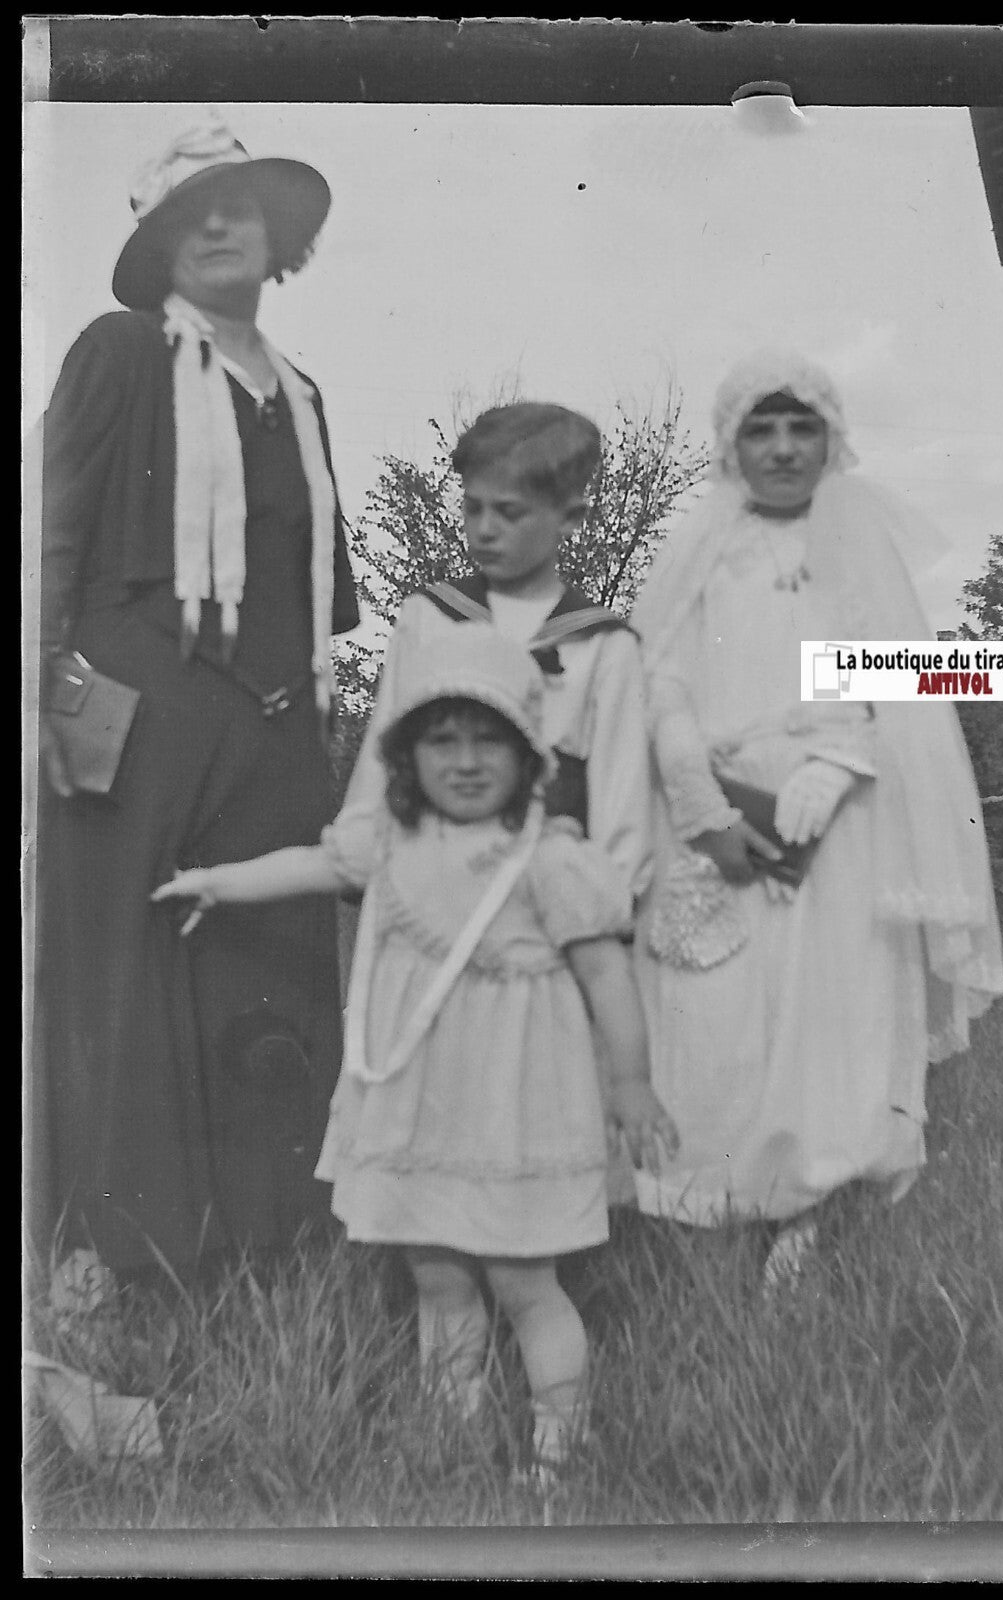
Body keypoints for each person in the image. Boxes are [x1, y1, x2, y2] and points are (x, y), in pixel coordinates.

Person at [154, 628, 678, 1478]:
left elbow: (607, 975)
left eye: (489, 741)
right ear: (407, 754)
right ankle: (452, 1436)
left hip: (512, 1107)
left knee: (524, 1283)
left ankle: (558, 1449)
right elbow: (311, 865)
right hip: (417, 1100)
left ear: (528, 752)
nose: (465, 762)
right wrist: (219, 883)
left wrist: (632, 1081)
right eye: (442, 740)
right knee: (439, 1278)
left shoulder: (548, 858)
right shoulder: (394, 842)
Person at [34, 117, 361, 1278]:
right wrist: (46, 699)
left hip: (275, 726)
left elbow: (321, 598)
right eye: (191, 212)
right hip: (137, 714)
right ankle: (120, 1255)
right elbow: (47, 532)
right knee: (127, 971)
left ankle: (274, 1247)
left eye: (241, 204)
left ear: (281, 237)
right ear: (159, 246)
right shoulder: (120, 352)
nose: (219, 224)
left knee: (271, 962)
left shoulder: (302, 395)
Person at [631, 349, 1003, 1283]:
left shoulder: (856, 546)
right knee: (717, 1003)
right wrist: (699, 800)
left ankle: (807, 1199)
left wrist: (840, 764)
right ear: (730, 443)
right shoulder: (701, 550)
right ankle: (711, 1194)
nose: (783, 448)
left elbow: (911, 684)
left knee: (828, 1004)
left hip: (840, 812)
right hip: (719, 806)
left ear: (831, 438)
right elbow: (661, 682)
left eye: (802, 427)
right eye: (761, 429)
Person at [341, 402, 654, 906]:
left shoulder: (605, 645)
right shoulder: (430, 616)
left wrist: (611, 901)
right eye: (473, 508)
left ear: (570, 518)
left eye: (509, 512)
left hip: (543, 893)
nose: (485, 529)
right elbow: (382, 752)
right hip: (432, 877)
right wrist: (359, 853)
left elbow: (624, 800)